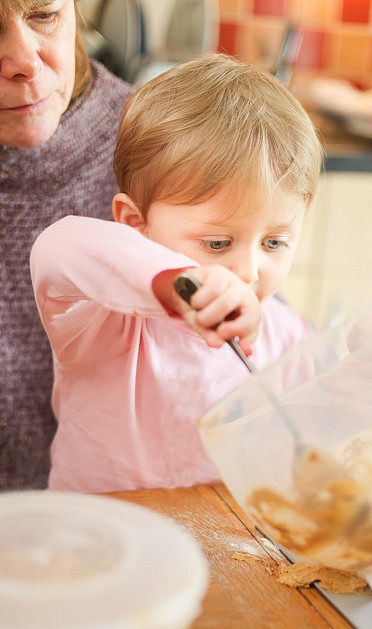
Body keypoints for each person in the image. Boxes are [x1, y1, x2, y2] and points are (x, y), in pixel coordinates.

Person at [30, 53, 323, 492]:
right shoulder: (104, 324)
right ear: (135, 224)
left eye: (274, 243)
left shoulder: (289, 340)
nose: (247, 271)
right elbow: (58, 247)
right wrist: (181, 284)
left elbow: (324, 427)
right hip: (100, 550)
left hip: (222, 553)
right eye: (217, 244)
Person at [0, 0, 132, 490]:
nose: (26, 62)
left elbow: (254, 348)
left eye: (44, 14)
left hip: (115, 536)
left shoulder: (156, 148)